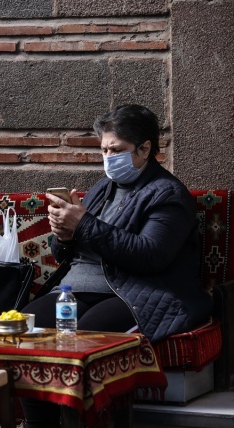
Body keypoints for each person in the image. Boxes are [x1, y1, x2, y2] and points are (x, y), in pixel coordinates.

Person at [21, 104, 212, 427]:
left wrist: (82, 225)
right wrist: (64, 234)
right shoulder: (101, 189)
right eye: (104, 150)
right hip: (78, 288)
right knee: (27, 330)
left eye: (117, 150)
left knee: (81, 342)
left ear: (145, 149)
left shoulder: (169, 195)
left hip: (136, 293)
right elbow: (66, 253)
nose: (109, 157)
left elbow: (150, 255)